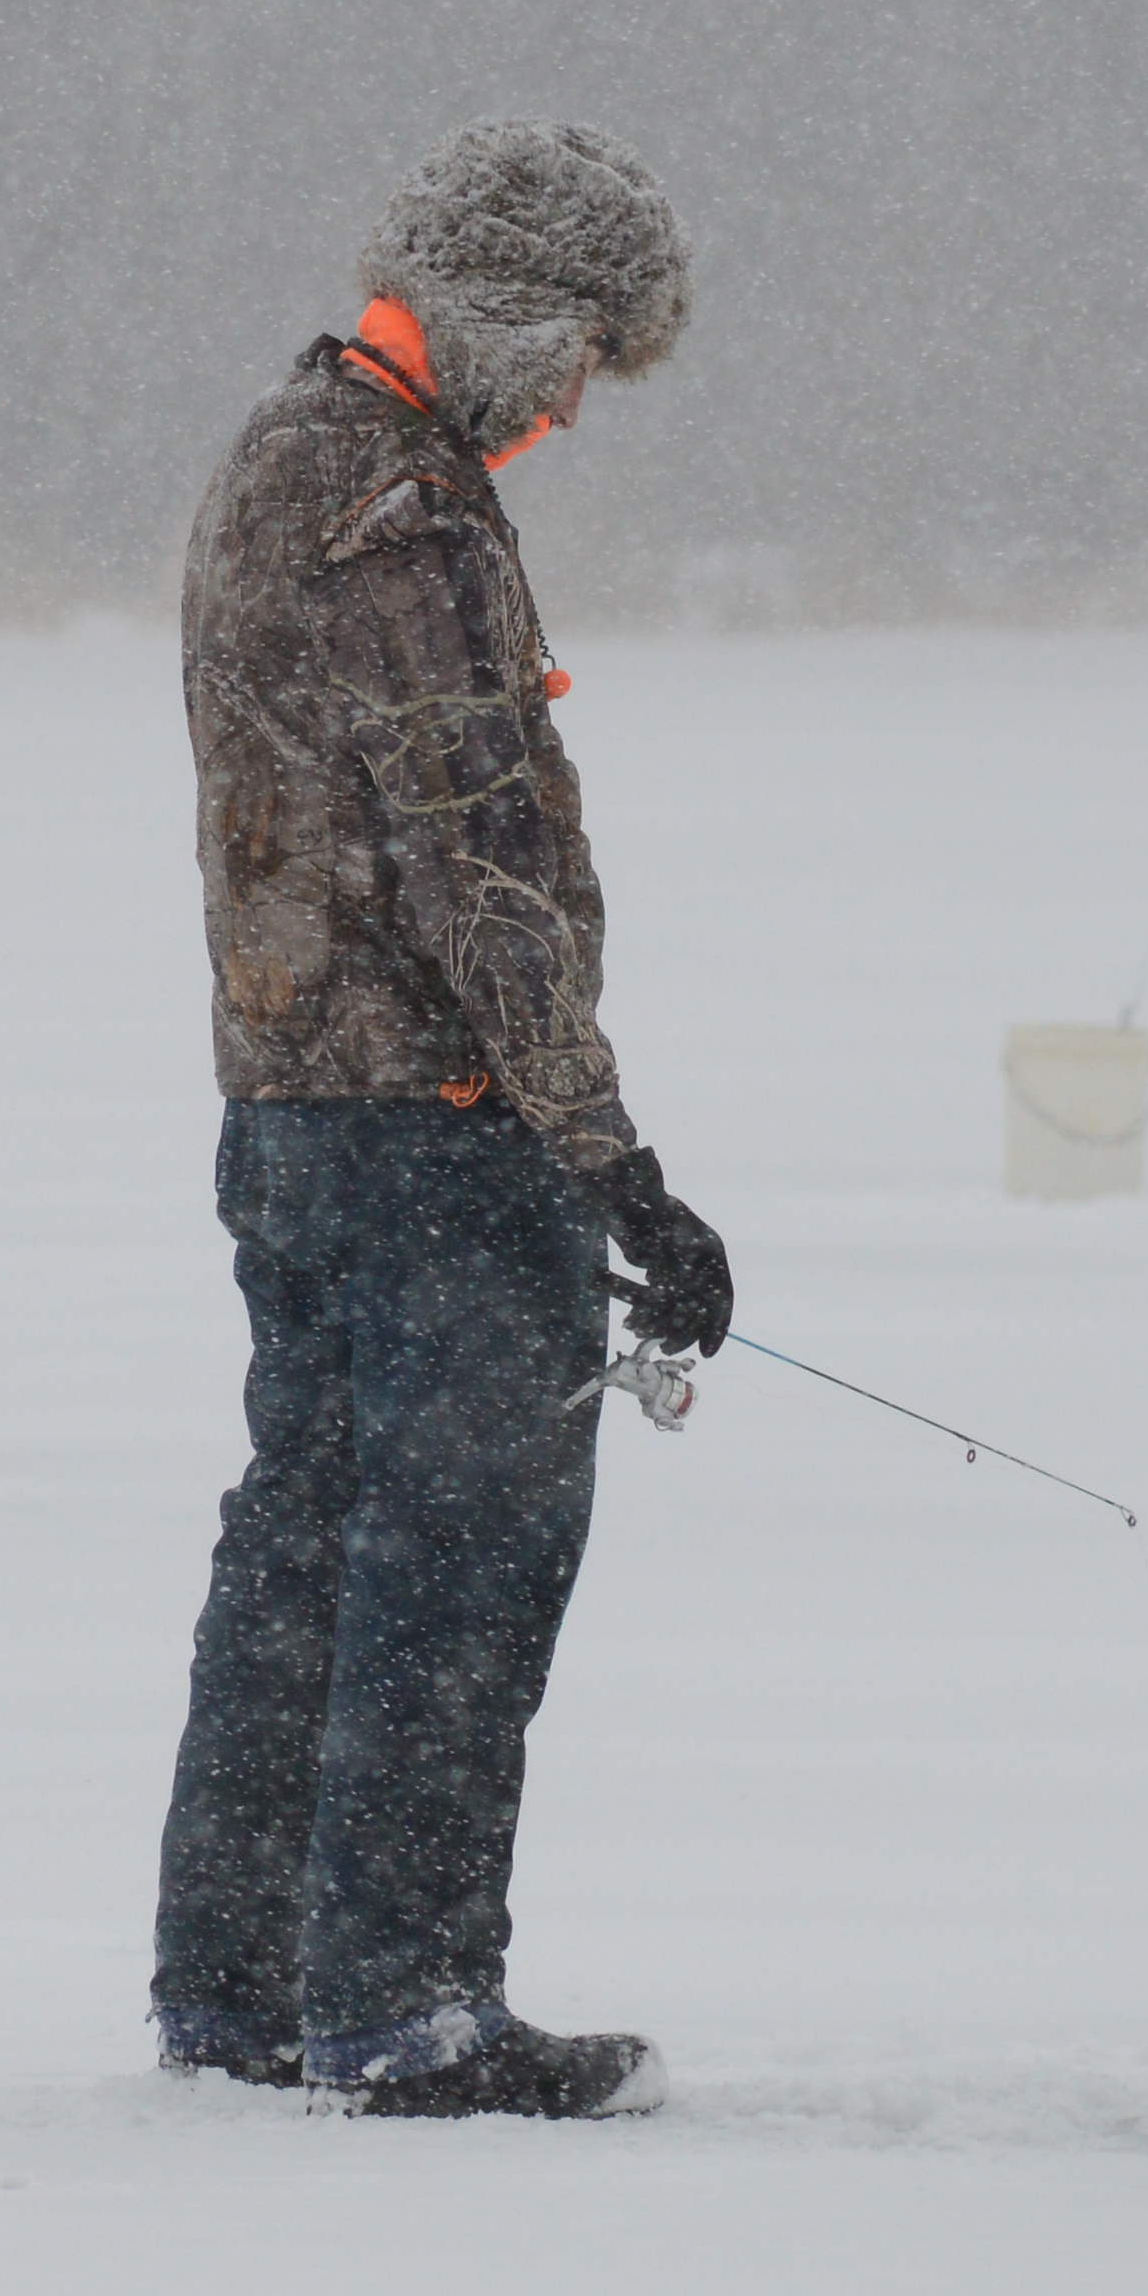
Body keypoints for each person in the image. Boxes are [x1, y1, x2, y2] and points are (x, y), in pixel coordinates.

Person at [148, 118, 729, 2119]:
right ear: (513, 318)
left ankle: (239, 1991)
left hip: (291, 1111)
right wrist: (610, 1160)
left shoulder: (275, 451)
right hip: (438, 1127)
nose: (572, 409)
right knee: (458, 1561)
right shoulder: (403, 503)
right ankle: (404, 2005)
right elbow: (481, 863)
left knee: (302, 1540)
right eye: (579, 359)